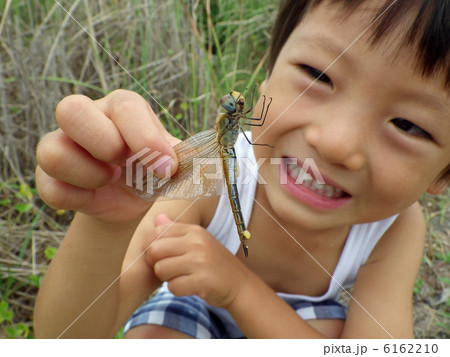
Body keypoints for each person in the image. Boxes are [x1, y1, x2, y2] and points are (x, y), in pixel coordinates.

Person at [34, 0, 449, 338]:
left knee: (328, 326)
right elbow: (65, 339)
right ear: (266, 77)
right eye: (316, 74)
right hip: (193, 303)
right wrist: (105, 223)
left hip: (292, 321)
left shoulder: (396, 229)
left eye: (408, 126)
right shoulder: (204, 174)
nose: (337, 143)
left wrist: (238, 287)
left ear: (442, 177)